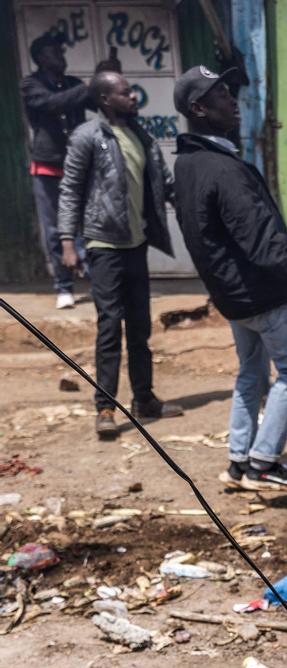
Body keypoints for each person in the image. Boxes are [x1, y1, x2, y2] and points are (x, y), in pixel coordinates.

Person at [171, 66, 287, 492]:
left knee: (250, 374)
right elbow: (261, 243)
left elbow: (230, 232)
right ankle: (263, 463)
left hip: (231, 293)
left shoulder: (190, 163)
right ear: (198, 108)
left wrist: (285, 246)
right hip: (259, 294)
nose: (232, 100)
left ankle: (238, 460)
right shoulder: (224, 169)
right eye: (220, 95)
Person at [57, 71, 181, 439]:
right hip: (104, 245)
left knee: (140, 326)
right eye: (125, 93)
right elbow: (70, 190)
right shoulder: (86, 137)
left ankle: (145, 399)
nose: (133, 97)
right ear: (105, 99)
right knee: (109, 327)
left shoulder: (142, 136)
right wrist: (67, 241)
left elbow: (164, 183)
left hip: (136, 243)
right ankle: (106, 407)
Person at [20, 32, 117, 308]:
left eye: (62, 52)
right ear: (40, 58)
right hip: (48, 167)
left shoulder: (73, 84)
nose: (61, 57)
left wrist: (105, 80)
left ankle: (98, 285)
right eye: (55, 53)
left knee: (90, 226)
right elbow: (53, 104)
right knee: (54, 230)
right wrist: (89, 85)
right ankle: (64, 286)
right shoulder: (31, 85)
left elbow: (97, 102)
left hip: (79, 164)